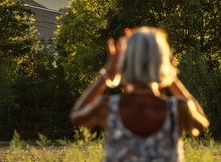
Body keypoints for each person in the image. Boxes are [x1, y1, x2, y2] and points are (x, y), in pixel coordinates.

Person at [71, 27, 209, 162]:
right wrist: (171, 77)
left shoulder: (107, 107)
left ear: (125, 62)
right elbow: (201, 123)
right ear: (161, 62)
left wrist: (109, 72)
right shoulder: (178, 109)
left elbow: (77, 116)